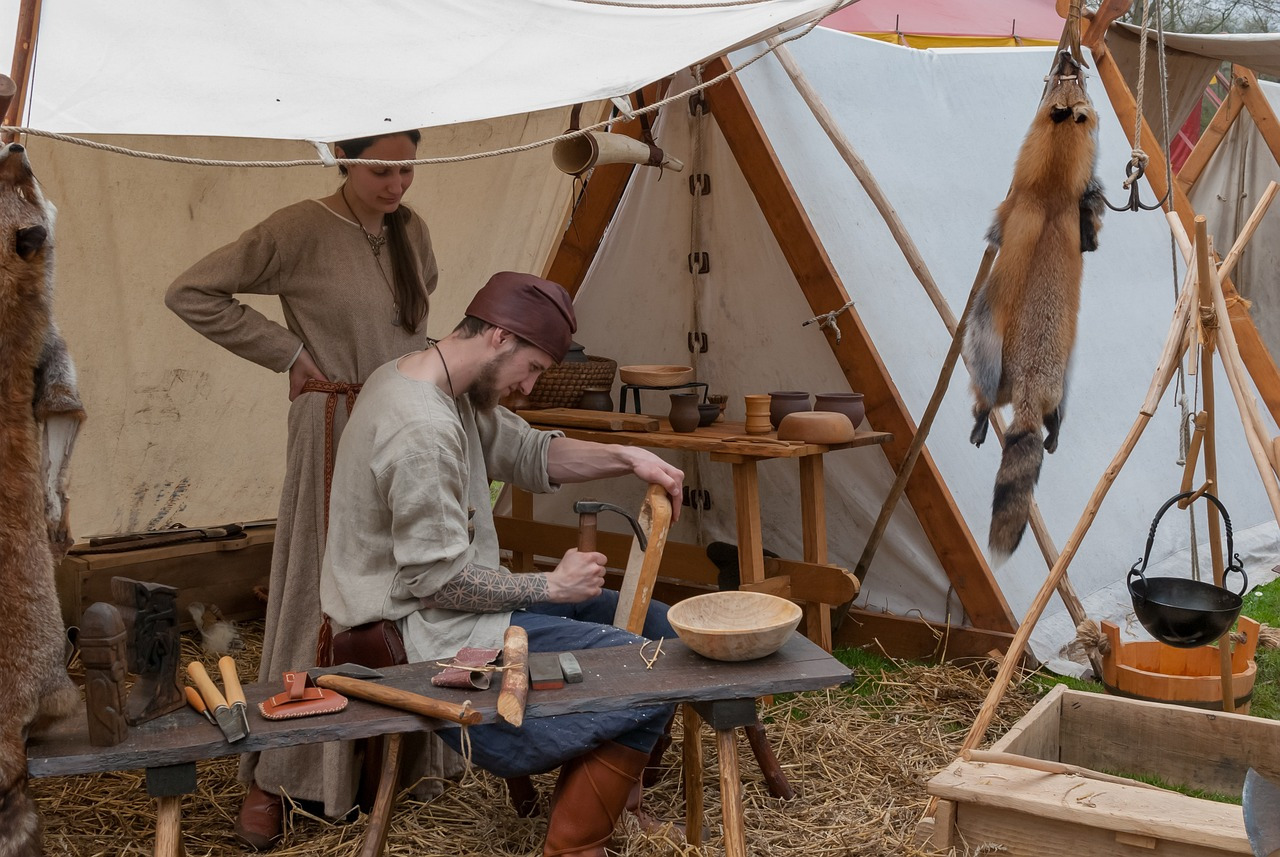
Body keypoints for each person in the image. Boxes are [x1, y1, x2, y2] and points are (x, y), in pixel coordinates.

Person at [319, 271, 685, 856]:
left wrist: (627, 456)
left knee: (663, 628)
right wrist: (551, 584)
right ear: (496, 337)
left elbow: (529, 450)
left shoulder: (439, 383)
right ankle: (574, 845)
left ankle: (616, 802)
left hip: (456, 607)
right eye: (533, 367)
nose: (530, 388)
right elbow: (437, 582)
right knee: (645, 668)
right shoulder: (420, 427)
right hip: (423, 630)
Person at [165, 129, 442, 850]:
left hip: (400, 431)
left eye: (407, 168)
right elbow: (191, 291)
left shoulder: (413, 233)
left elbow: (414, 336)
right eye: (382, 169)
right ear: (343, 159)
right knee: (315, 597)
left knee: (398, 593)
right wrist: (287, 353)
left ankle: (385, 762)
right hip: (334, 425)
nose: (397, 184)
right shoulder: (298, 228)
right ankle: (278, 778)